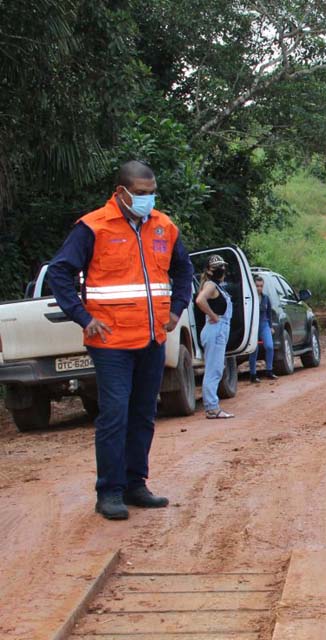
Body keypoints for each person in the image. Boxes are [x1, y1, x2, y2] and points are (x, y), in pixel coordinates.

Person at [47, 160, 194, 520]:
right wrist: (83, 317)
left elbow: (184, 269)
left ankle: (135, 484)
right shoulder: (93, 226)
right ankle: (109, 492)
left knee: (144, 413)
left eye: (152, 193)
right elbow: (60, 272)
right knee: (114, 414)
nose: (148, 199)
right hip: (110, 342)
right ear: (121, 193)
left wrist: (176, 309)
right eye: (141, 194)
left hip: (151, 338)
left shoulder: (163, 226)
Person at [195, 255, 235, 419]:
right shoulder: (211, 285)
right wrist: (213, 315)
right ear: (209, 270)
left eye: (222, 266)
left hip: (218, 329)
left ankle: (212, 406)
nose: (222, 270)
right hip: (215, 329)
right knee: (214, 370)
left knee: (216, 368)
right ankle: (212, 407)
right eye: (218, 267)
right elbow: (199, 300)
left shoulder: (217, 286)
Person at [248, 275, 277, 383]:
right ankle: (253, 374)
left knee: (269, 346)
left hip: (264, 324)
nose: (259, 288)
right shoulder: (250, 298)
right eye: (257, 286)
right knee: (253, 350)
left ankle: (269, 370)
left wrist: (270, 327)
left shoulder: (265, 298)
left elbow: (268, 313)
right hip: (253, 326)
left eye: (261, 286)